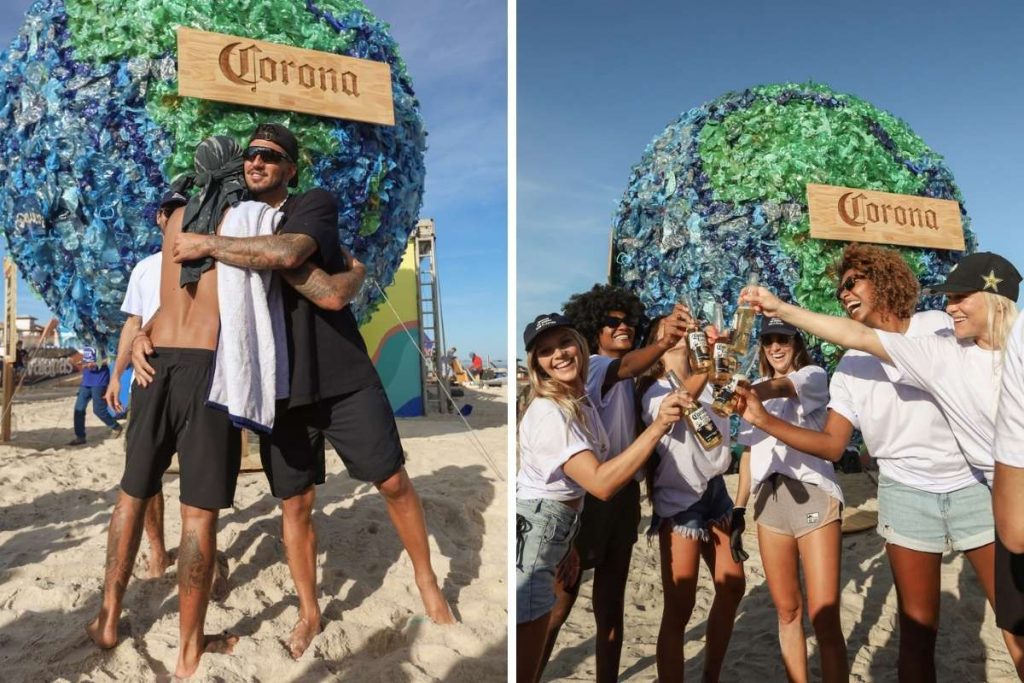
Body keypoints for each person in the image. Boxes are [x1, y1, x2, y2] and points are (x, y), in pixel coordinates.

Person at [161, 122, 454, 658]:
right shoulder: (236, 217)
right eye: (251, 154)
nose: (257, 163)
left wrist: (212, 245)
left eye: (271, 156)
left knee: (391, 482)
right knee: (294, 505)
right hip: (276, 388)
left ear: (290, 168)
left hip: (341, 375)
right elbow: (316, 288)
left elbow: (290, 253)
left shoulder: (312, 203)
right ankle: (310, 611)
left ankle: (427, 580)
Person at [738, 247, 1024, 679]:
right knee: (916, 631)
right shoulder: (853, 368)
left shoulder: (940, 330)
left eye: (853, 282)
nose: (844, 293)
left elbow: (999, 344)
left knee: (1014, 619)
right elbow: (834, 443)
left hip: (973, 487)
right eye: (840, 288)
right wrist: (763, 418)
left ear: (885, 280)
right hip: (906, 495)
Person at [87, 136, 254, 678]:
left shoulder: (176, 217)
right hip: (207, 363)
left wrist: (129, 351)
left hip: (155, 362)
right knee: (198, 515)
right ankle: (188, 650)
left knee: (131, 495)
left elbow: (150, 308)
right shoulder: (242, 218)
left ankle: (108, 616)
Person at [516, 313, 685, 683]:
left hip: (568, 519)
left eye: (563, 344)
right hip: (546, 523)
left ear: (578, 343)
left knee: (601, 611)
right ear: (537, 364)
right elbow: (599, 484)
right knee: (540, 628)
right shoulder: (553, 408)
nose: (558, 355)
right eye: (546, 351)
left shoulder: (580, 402)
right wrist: (658, 426)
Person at [734, 318, 848, 681]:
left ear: (797, 343)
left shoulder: (812, 375)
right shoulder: (752, 388)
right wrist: (738, 509)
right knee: (786, 612)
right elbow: (750, 454)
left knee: (825, 615)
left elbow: (783, 386)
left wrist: (752, 395)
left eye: (783, 339)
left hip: (813, 495)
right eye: (768, 341)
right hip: (769, 501)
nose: (775, 347)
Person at [636, 318, 745, 682]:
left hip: (715, 490)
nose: (683, 334)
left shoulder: (710, 379)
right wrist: (713, 363)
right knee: (679, 608)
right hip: (680, 499)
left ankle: (710, 676)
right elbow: (683, 402)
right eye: (672, 330)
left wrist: (723, 357)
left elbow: (730, 407)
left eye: (687, 329)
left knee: (732, 586)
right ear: (657, 344)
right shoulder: (652, 390)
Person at [102, 188, 188, 578]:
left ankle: (194, 551)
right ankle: (156, 550)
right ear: (160, 218)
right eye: (171, 210)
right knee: (144, 473)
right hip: (148, 374)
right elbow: (133, 324)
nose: (177, 215)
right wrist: (116, 376)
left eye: (185, 209)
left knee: (201, 477)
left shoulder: (207, 258)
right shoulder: (145, 268)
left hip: (198, 376)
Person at [68, 345, 121, 446]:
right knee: (79, 409)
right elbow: (86, 357)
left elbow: (112, 358)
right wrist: (80, 362)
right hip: (86, 382)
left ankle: (115, 426)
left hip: (100, 381)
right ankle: (80, 437)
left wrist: (96, 363)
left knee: (98, 410)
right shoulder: (85, 340)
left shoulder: (104, 339)